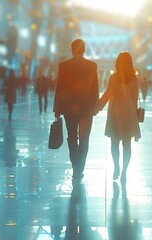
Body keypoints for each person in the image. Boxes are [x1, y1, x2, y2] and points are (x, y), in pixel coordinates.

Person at [53, 39, 99, 183]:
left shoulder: (64, 65)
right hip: (86, 109)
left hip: (69, 108)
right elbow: (94, 88)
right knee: (84, 139)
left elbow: (60, 88)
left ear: (72, 50)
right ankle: (80, 168)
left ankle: (75, 167)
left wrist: (57, 108)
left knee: (72, 138)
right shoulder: (92, 66)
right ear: (83, 50)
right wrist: (95, 107)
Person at [95, 52, 141, 182]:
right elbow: (135, 98)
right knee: (127, 144)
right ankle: (125, 171)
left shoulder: (114, 77)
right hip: (129, 114)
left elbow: (108, 94)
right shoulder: (134, 79)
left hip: (115, 114)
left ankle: (116, 166)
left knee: (114, 143)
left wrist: (97, 107)